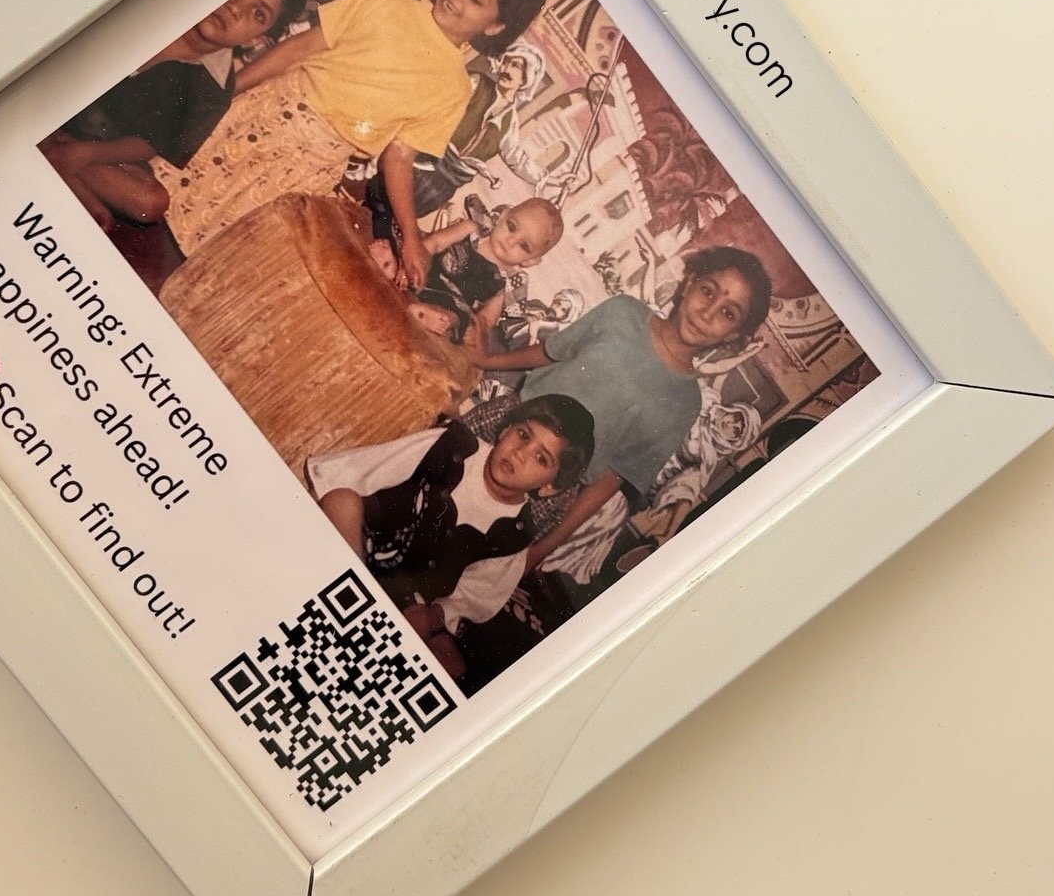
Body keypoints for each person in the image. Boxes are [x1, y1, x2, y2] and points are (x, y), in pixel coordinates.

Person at [154, 0, 547, 273]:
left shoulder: (455, 89)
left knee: (206, 251)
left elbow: (399, 157)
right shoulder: (385, 1)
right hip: (264, 114)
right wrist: (225, 93)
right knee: (161, 188)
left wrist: (411, 237)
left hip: (309, 164)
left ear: (495, 27)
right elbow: (298, 49)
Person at [472, 246, 773, 575]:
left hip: (551, 488)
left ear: (734, 335)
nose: (708, 312)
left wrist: (544, 547)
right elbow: (551, 351)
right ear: (689, 283)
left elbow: (613, 477)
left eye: (728, 313)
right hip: (504, 426)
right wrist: (487, 360)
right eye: (708, 291)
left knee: (476, 560)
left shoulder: (686, 403)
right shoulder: (622, 312)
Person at [307, 395, 595, 686]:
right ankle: (351, 598)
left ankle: (363, 640)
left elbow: (473, 597)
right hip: (361, 546)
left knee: (451, 665)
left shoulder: (515, 535)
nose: (521, 453)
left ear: (549, 487)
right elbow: (358, 472)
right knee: (341, 501)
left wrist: (431, 617)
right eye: (523, 435)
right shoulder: (449, 446)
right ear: (506, 430)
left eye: (541, 458)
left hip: (407, 596)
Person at [40, 0, 305, 235]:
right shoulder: (158, 5)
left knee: (151, 202)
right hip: (57, 95)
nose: (236, 8)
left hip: (101, 143)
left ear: (255, 41)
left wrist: (85, 153)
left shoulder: (215, 91)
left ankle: (57, 151)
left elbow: (151, 144)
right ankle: (66, 167)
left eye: (258, 13)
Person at [371, 197, 565, 353]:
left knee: (462, 317)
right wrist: (411, 262)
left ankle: (436, 317)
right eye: (512, 227)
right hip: (428, 271)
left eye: (524, 246)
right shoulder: (471, 229)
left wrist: (475, 333)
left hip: (451, 302)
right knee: (409, 247)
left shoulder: (505, 285)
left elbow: (486, 320)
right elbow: (435, 242)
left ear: (531, 261)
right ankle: (394, 266)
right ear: (503, 215)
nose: (511, 240)